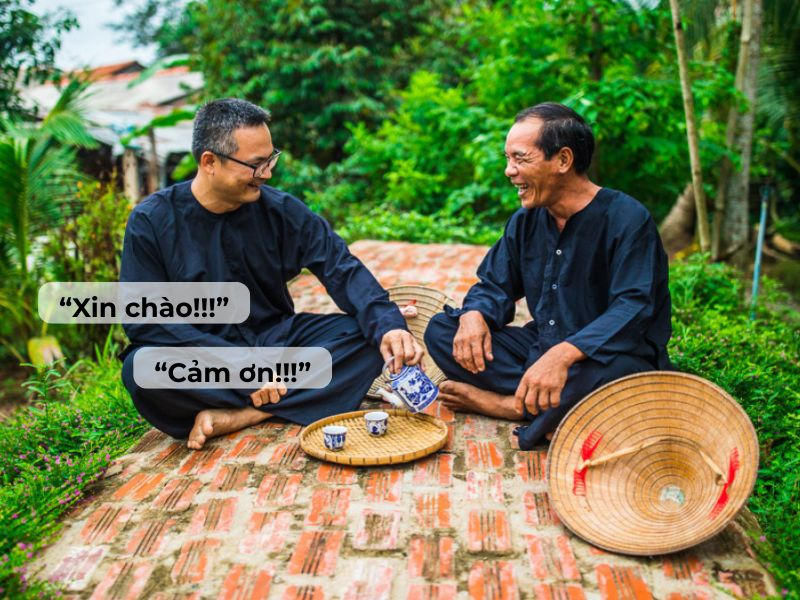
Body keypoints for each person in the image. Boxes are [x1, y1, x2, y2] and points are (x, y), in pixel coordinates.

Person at [120, 98, 422, 449]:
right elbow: (147, 322)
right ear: (209, 161)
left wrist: (386, 323)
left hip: (277, 341)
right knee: (141, 369)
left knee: (366, 337)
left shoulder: (280, 209)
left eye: (270, 159)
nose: (267, 173)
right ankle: (291, 398)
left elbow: (340, 266)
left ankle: (248, 414)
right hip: (206, 359)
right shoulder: (151, 222)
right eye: (255, 165)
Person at [424, 102, 672, 450]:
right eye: (508, 159)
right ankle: (549, 402)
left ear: (563, 160)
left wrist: (565, 355)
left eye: (520, 159)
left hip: (604, 358)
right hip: (540, 349)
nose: (510, 171)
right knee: (441, 330)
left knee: (615, 377)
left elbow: (634, 307)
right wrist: (473, 314)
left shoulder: (628, 219)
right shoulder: (525, 221)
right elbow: (494, 284)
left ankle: (511, 405)